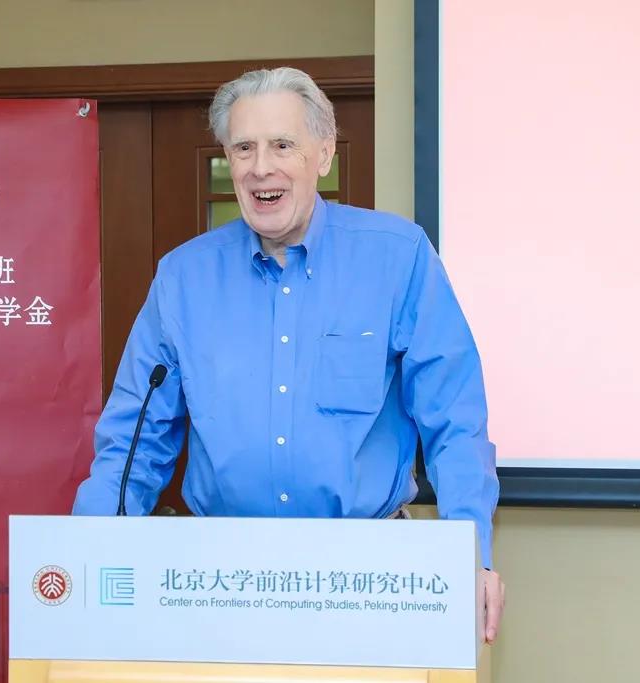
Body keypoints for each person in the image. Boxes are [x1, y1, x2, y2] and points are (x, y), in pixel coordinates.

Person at [72, 67, 505, 642]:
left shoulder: (398, 258)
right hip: (219, 583)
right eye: (243, 148)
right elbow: (134, 437)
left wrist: (470, 554)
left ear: (323, 153)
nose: (260, 167)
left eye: (282, 145)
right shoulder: (183, 278)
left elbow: (454, 421)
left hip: (367, 581)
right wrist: (87, 556)